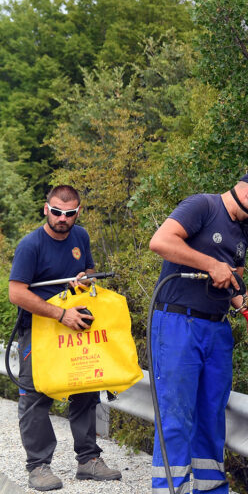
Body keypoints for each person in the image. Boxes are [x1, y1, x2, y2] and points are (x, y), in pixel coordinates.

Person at [147, 170, 248, 494]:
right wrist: (210, 264)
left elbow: (235, 283)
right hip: (178, 323)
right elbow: (160, 242)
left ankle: (210, 489)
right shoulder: (203, 207)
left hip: (216, 329)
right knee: (177, 414)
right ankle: (170, 490)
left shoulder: (242, 233)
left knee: (211, 414)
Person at [8, 184, 122, 491]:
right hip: (40, 329)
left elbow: (89, 272)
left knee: (85, 390)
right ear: (46, 209)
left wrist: (84, 281)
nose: (62, 218)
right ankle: (38, 466)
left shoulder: (80, 237)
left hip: (75, 327)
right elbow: (16, 293)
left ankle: (88, 460)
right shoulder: (31, 245)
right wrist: (60, 314)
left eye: (69, 213)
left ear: (78, 212)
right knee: (36, 397)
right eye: (57, 211)